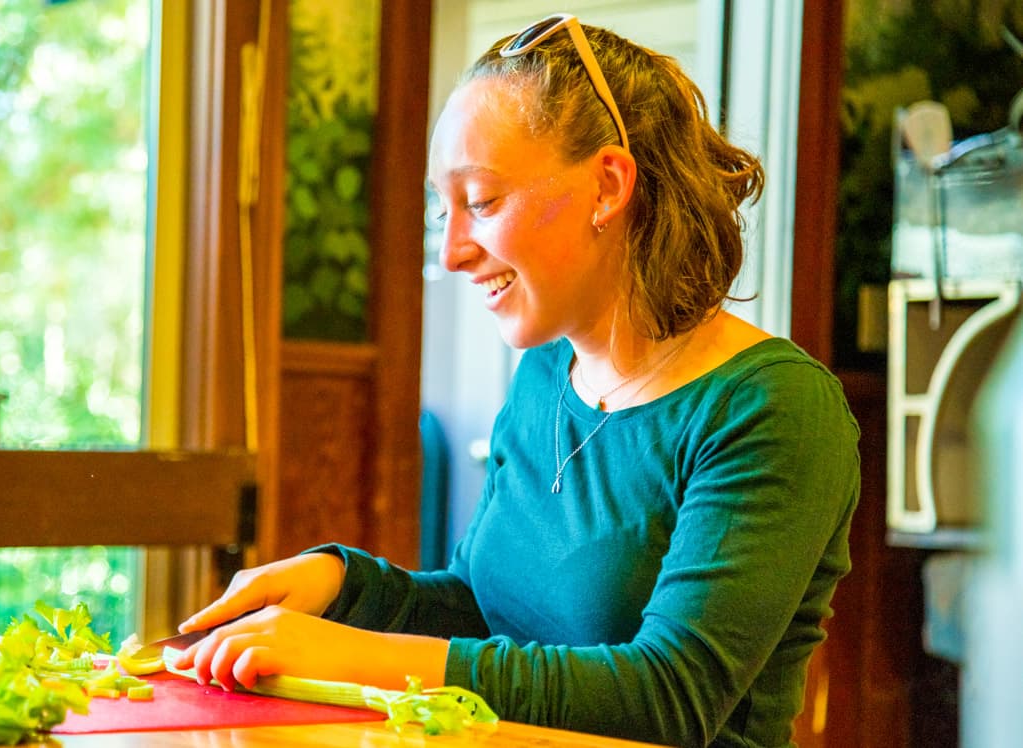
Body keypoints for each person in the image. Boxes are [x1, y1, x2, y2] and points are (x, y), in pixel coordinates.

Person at [172, 13, 860, 748]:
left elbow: (671, 697)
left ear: (607, 186)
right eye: (444, 210)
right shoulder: (543, 376)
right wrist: (337, 582)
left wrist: (359, 654)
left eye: (483, 202)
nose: (453, 251)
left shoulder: (772, 409)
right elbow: (478, 610)